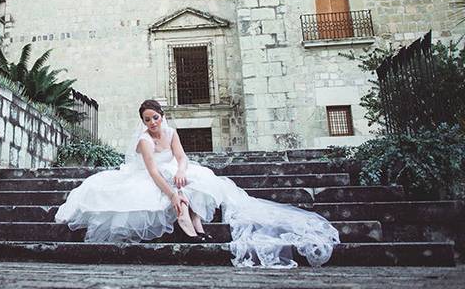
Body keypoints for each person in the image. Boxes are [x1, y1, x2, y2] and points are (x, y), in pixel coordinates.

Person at [55, 99, 340, 268]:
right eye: (147, 120)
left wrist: (180, 170)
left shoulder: (171, 131)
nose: (152, 123)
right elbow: (153, 172)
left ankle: (193, 223)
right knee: (174, 186)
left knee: (193, 179)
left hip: (173, 170)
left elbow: (181, 158)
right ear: (142, 122)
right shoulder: (144, 141)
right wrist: (171, 195)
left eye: (155, 117)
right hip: (149, 175)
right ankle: (187, 218)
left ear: (161, 116)